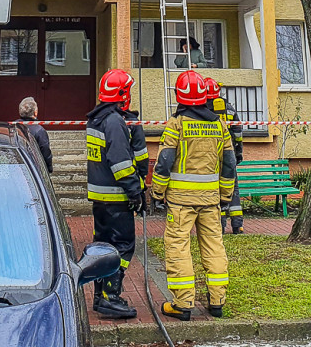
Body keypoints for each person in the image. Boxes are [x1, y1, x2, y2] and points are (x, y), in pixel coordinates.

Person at [152, 70, 237, 321]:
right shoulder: (219, 125)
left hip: (180, 202)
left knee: (178, 247)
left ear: (179, 96)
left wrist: (157, 192)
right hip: (210, 201)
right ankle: (217, 301)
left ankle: (183, 303)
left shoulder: (176, 124)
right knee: (214, 247)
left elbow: (164, 161)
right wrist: (225, 195)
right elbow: (229, 164)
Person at [86, 68, 146, 319]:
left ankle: (100, 296)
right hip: (116, 198)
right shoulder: (114, 121)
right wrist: (136, 192)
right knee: (121, 247)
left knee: (103, 246)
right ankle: (111, 296)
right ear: (122, 94)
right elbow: (120, 161)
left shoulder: (97, 119)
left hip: (100, 198)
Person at [205, 78, 244, 234]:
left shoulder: (203, 111)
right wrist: (239, 151)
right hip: (230, 154)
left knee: (217, 189)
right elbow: (238, 132)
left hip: (212, 155)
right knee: (233, 189)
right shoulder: (229, 109)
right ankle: (237, 225)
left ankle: (220, 225)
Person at [18, 96, 53, 173]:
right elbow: (45, 151)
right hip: (33, 169)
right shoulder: (39, 130)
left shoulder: (12, 126)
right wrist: (49, 168)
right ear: (35, 112)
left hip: (16, 166)